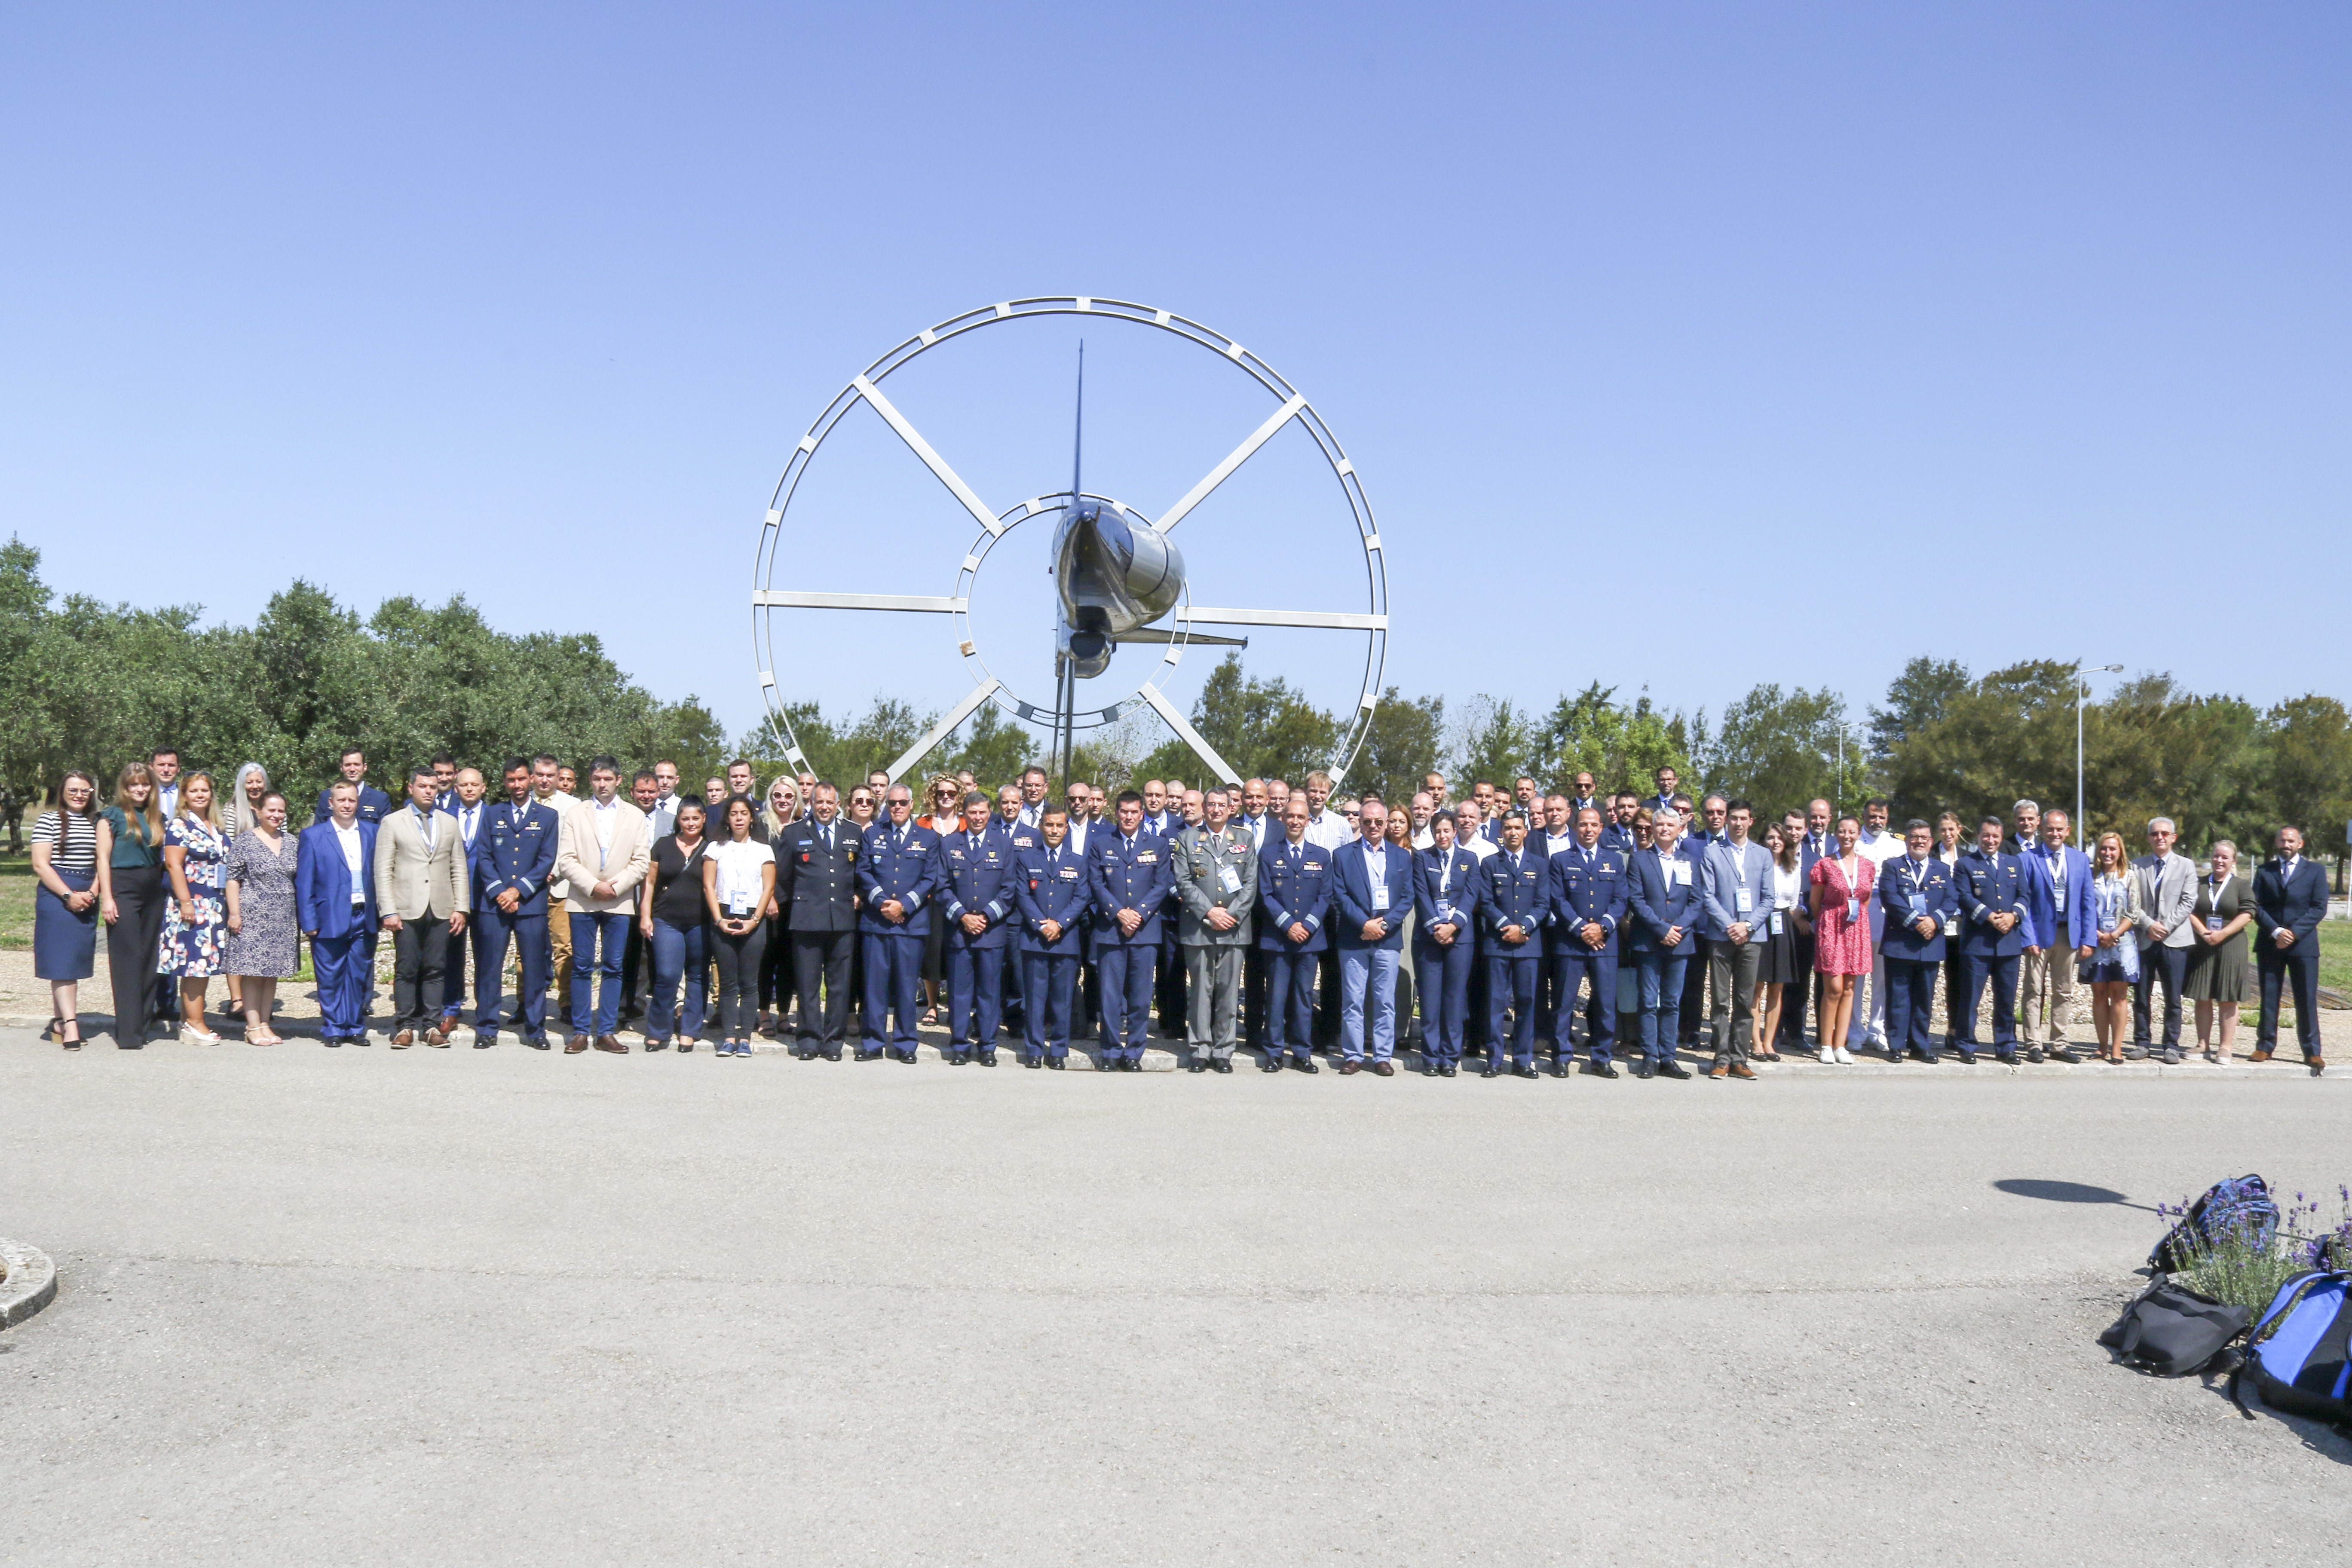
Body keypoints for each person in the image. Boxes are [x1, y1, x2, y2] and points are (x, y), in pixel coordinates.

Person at [556, 756, 651, 1054]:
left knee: (614, 967)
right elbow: (566, 859)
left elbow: (642, 862)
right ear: (590, 780)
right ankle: (581, 1031)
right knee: (582, 966)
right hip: (583, 899)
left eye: (608, 779)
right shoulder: (576, 813)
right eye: (597, 779)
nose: (602, 784)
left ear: (618, 781)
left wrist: (615, 887)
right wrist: (593, 885)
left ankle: (607, 1031)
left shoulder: (634, 816)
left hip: (619, 901)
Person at [374, 767, 469, 1048]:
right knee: (406, 969)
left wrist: (461, 907)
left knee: (436, 969)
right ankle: (404, 1026)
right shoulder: (393, 822)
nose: (429, 791)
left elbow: (458, 867)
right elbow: (383, 870)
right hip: (406, 908)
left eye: (433, 787)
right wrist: (388, 910)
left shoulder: (449, 822)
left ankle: (431, 1027)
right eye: (423, 786)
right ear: (411, 788)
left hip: (441, 907)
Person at [472, 758, 559, 1048]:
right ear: (505, 782)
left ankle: (535, 1030)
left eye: (522, 779)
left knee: (534, 970)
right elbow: (484, 856)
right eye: (511, 780)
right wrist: (501, 892)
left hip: (530, 904)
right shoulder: (491, 813)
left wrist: (517, 892)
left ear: (532, 779)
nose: (517, 785)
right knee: (489, 968)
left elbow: (546, 859)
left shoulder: (547, 816)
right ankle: (486, 1028)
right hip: (494, 905)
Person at [1087, 789, 1172, 1071]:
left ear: (1142, 814)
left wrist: (1138, 914)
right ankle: (1111, 1051)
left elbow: (1161, 884)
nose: (1129, 816)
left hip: (1145, 931)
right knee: (1110, 997)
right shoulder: (1101, 843)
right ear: (1116, 813)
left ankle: (1134, 1052)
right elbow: (1096, 884)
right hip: (1111, 930)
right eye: (1124, 811)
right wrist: (1119, 913)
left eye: (1134, 812)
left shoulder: (1158, 845)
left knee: (1141, 997)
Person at [775, 782, 860, 1060]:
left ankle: (833, 1042)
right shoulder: (794, 833)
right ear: (811, 804)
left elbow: (862, 872)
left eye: (829, 802)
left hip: (842, 920)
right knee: (808, 985)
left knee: (839, 986)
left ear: (838, 805)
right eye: (819, 802)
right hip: (807, 920)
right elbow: (783, 878)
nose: (824, 807)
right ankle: (809, 1040)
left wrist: (860, 895)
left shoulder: (853, 832)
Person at [1175, 785, 1256, 1073]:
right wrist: (1210, 912)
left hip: (1234, 929)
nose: (1217, 810)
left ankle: (1223, 1051)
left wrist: (1230, 915)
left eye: (1222, 805)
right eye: (1211, 805)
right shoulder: (1187, 839)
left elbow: (1250, 884)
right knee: (1200, 991)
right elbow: (1183, 881)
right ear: (1204, 808)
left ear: (1231, 808)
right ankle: (1200, 1050)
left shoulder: (1245, 839)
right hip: (1199, 927)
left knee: (1228, 992)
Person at [1331, 796, 1414, 1075]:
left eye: (1379, 821)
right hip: (1354, 937)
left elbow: (1408, 897)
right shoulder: (1343, 855)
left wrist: (1385, 924)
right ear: (1360, 822)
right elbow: (1340, 895)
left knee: (1385, 1001)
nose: (1374, 826)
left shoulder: (1402, 856)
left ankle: (1382, 1056)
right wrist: (1365, 924)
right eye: (1368, 821)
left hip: (1387, 939)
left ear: (1387, 823)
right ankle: (1353, 1055)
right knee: (1353, 1001)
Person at [935, 789, 1017, 1066]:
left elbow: (1009, 890)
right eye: (973, 813)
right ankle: (960, 1044)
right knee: (959, 992)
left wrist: (985, 917)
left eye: (983, 812)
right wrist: (963, 916)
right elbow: (942, 887)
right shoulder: (949, 844)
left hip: (991, 932)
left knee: (989, 992)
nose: (978, 817)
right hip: (959, 932)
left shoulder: (1003, 844)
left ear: (990, 813)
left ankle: (988, 1045)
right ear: (964, 814)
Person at [858, 784, 940, 1063]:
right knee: (875, 987)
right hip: (877, 922)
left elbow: (930, 878)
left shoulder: (928, 838)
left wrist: (903, 905)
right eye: (892, 803)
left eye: (902, 803)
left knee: (907, 988)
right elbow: (864, 872)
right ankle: (873, 1042)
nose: (897, 807)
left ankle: (905, 1044)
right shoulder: (872, 834)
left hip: (911, 925)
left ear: (911, 804)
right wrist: (884, 903)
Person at [296, 781, 382, 1046]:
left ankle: (354, 1026)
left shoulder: (372, 832)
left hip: (364, 915)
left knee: (358, 975)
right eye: (341, 800)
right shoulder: (313, 836)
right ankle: (333, 1027)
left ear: (358, 803)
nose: (347, 805)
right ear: (331, 803)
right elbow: (305, 882)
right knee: (330, 976)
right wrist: (309, 920)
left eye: (351, 800)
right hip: (329, 916)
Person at [1547, 805, 1626, 1077]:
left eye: (1594, 825)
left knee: (1605, 1003)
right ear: (1575, 828)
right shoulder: (1560, 860)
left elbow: (1621, 900)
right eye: (1583, 825)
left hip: (1605, 942)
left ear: (1601, 828)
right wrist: (1582, 928)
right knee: (1563, 1002)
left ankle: (1602, 1058)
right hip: (1571, 942)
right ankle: (1561, 1056)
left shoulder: (1614, 860)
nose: (1588, 830)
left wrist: (1602, 927)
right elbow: (1558, 899)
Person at [1626, 806, 1701, 1080]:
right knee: (1648, 1001)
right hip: (1649, 939)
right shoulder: (1639, 859)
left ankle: (1668, 1057)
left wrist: (1678, 928)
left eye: (1671, 825)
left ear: (1680, 829)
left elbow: (1697, 901)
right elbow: (1636, 900)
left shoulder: (1690, 861)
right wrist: (1661, 929)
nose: (1665, 829)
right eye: (1660, 825)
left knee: (1672, 1002)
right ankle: (1650, 1056)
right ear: (1653, 829)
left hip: (1680, 940)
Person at [1257, 795, 1330, 1072]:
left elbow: (1325, 896)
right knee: (1276, 998)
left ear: (1308, 821)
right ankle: (1274, 1052)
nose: (1295, 821)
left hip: (1309, 940)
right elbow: (1265, 894)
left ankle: (1302, 1052)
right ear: (1283, 819)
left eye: (1301, 817)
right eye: (1291, 816)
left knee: (1303, 997)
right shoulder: (1268, 854)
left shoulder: (1321, 856)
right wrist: (1288, 924)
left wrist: (1307, 926)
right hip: (1278, 938)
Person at [1699, 799, 1770, 1080]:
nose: (1738, 823)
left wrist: (1748, 926)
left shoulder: (1763, 855)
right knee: (1720, 1000)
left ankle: (1740, 1059)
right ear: (1727, 820)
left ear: (1751, 821)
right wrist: (1731, 926)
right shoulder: (1712, 852)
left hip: (1752, 936)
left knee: (1745, 1000)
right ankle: (1722, 1058)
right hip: (1721, 935)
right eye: (1734, 818)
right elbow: (1707, 895)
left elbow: (1769, 897)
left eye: (1743, 818)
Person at [2014, 808, 2092, 1063]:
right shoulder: (2027, 859)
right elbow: (2023, 901)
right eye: (2050, 829)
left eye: (2059, 829)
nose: (2054, 834)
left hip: (2069, 935)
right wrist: (2028, 938)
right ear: (2042, 830)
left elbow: (2087, 902)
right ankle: (2033, 1044)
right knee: (2033, 990)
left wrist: (2088, 939)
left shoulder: (2080, 860)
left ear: (2067, 831)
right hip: (2039, 936)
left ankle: (2059, 1044)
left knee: (2064, 991)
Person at [31, 770, 103, 1050]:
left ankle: (59, 1021)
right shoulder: (49, 820)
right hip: (57, 894)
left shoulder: (98, 821)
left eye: (85, 790)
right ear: (62, 792)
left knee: (73, 961)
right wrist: (67, 895)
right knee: (61, 961)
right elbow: (40, 864)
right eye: (73, 790)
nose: (79, 795)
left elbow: (104, 861)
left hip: (88, 893)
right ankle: (71, 1024)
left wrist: (93, 892)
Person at [221, 788, 299, 1046]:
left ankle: (265, 1023)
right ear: (259, 812)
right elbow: (233, 879)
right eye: (271, 810)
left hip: (283, 917)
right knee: (253, 972)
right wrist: (235, 914)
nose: (276, 815)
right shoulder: (245, 841)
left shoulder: (292, 842)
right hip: (252, 914)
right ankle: (252, 1026)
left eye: (281, 811)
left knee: (271, 973)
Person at [159, 771, 233, 1042]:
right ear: (184, 796)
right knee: (195, 964)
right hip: (192, 904)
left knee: (201, 964)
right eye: (194, 791)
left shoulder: (216, 826)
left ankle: (187, 1021)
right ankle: (195, 1022)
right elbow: (173, 865)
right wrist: (186, 902)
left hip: (214, 904)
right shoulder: (180, 826)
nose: (200, 795)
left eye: (205, 790)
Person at [97, 762, 167, 1047]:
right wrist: (107, 898)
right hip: (123, 887)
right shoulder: (110, 816)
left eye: (145, 784)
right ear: (124, 788)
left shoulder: (157, 817)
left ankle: (142, 1026)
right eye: (133, 785)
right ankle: (128, 1033)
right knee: (127, 959)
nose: (140, 789)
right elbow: (103, 859)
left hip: (153, 888)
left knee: (150, 959)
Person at [1475, 808, 1548, 1080]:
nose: (1513, 833)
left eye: (1518, 828)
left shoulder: (1539, 864)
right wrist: (1507, 926)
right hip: (1499, 942)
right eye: (1508, 828)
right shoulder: (1490, 864)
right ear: (1501, 833)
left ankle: (1523, 1060)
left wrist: (1524, 928)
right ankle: (1494, 1059)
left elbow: (1543, 903)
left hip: (1528, 944)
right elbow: (1486, 902)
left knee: (1527, 1002)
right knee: (1496, 1002)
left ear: (1525, 832)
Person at [1951, 815, 2029, 1065]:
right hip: (1978, 942)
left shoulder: (2014, 863)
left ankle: (2006, 1046)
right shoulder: (1965, 864)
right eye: (1986, 835)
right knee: (1970, 998)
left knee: (2006, 1000)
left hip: (2009, 942)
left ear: (2001, 837)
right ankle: (1966, 1045)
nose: (1991, 840)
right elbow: (1964, 896)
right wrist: (1989, 916)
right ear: (1978, 837)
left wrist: (2013, 915)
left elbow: (2025, 895)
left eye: (1995, 836)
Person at [1012, 805, 1087, 1068]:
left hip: (1065, 940)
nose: (1054, 830)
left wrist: (1060, 924)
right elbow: (1022, 895)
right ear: (1041, 827)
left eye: (1059, 826)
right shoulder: (1026, 859)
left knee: (1062, 1000)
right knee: (1034, 999)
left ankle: (1058, 1050)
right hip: (1035, 939)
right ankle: (1034, 1050)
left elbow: (1081, 898)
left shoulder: (1078, 861)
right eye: (1049, 825)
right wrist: (1041, 925)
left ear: (1066, 829)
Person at [1877, 820, 1957, 1063]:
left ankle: (1920, 1045)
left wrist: (1935, 921)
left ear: (1931, 842)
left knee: (1924, 997)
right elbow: (1890, 898)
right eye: (1914, 837)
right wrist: (1916, 922)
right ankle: (1896, 1045)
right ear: (1907, 840)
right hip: (1900, 941)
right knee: (1898, 997)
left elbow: (1951, 899)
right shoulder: (1892, 866)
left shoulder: (1942, 868)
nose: (1919, 841)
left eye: (1924, 837)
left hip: (1930, 942)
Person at [2251, 825, 2328, 1073]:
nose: (2287, 845)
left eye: (2291, 841)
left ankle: (2312, 1051)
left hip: (2303, 945)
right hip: (2270, 942)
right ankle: (2265, 1046)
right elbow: (2256, 905)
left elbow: (2319, 907)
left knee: (2306, 998)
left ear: (2300, 844)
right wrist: (2276, 931)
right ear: (2277, 843)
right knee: (2269, 997)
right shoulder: (2265, 871)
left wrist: (2293, 933)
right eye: (2283, 841)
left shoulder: (2316, 871)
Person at [704, 795, 776, 1057]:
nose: (738, 818)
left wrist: (755, 920)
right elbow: (709, 886)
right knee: (727, 983)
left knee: (749, 983)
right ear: (727, 818)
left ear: (751, 818)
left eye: (743, 814)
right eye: (734, 813)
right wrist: (718, 919)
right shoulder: (715, 848)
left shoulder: (763, 850)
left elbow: (768, 888)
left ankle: (745, 1038)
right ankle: (728, 1038)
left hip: (753, 917)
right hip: (723, 915)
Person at [637, 798, 710, 1052]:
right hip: (666, 920)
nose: (691, 824)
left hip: (701, 921)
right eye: (685, 819)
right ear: (678, 819)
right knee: (667, 975)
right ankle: (658, 1030)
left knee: (697, 975)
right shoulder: (663, 845)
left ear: (704, 819)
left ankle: (690, 1029)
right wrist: (645, 916)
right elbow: (649, 883)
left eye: (696, 818)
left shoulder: (712, 847)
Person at [1412, 808, 1480, 1077]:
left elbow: (1471, 895)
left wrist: (1454, 926)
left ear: (1455, 832)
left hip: (1460, 938)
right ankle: (1430, 1057)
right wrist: (1436, 927)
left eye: (1447, 831)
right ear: (1432, 833)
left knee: (1454, 999)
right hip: (1428, 938)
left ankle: (1450, 1058)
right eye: (1437, 831)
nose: (1442, 836)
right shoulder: (1422, 857)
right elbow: (1421, 893)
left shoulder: (1470, 859)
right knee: (1430, 999)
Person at [1807, 815, 1874, 1066]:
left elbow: (1865, 899)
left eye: (1852, 832)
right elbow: (1815, 902)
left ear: (1859, 835)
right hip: (1832, 928)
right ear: (1836, 833)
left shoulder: (1867, 866)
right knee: (1833, 988)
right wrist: (1827, 923)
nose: (1847, 836)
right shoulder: (1825, 864)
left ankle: (1841, 1045)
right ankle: (1826, 1044)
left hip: (1857, 929)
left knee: (1849, 989)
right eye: (1843, 831)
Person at [2130, 816, 2196, 1064]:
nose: (2160, 838)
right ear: (2148, 838)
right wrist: (2149, 924)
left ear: (2173, 838)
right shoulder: (2136, 866)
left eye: (2165, 834)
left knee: (2173, 998)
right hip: (2144, 938)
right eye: (2155, 834)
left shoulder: (2186, 866)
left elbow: (2188, 901)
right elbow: (2132, 902)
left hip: (2175, 939)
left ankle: (2171, 1045)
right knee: (2141, 996)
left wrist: (2165, 927)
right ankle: (2142, 1042)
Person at [2185, 838, 2253, 1064]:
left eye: (2225, 857)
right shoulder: (2199, 883)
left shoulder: (2241, 885)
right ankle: (2202, 1044)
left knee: (2228, 997)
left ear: (2233, 861)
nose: (2219, 860)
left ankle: (2225, 1047)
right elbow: (2188, 909)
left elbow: (2248, 913)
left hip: (2231, 944)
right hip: (2203, 943)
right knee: (2202, 995)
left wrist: (2223, 934)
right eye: (2216, 856)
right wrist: (2203, 931)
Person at [436, 766, 490, 1041]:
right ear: (456, 788)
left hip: (486, 896)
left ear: (483, 788)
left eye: (474, 785)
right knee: (452, 956)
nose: (469, 789)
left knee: (486, 957)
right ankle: (451, 1009)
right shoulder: (442, 817)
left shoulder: (495, 816)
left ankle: (485, 1010)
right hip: (452, 897)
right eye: (464, 785)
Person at [2079, 832, 2142, 1063]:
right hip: (2095, 941)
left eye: (2113, 849)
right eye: (2104, 848)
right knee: (2099, 994)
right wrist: (2096, 934)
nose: (2108, 853)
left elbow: (2134, 912)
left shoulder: (2130, 877)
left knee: (2119, 995)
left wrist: (2114, 934)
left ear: (2120, 852)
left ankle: (2117, 1048)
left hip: (2121, 943)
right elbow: (2082, 907)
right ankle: (2102, 1046)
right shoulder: (2089, 875)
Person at [1753, 823, 1808, 1063]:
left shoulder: (1792, 868)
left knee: (1777, 988)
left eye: (1779, 838)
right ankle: (1755, 1042)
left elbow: (1794, 903)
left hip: (1783, 924)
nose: (1775, 842)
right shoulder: (1756, 865)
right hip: (1760, 922)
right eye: (1770, 837)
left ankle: (1769, 1042)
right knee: (1756, 987)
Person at [755, 773, 805, 1036]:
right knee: (766, 959)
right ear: (770, 797)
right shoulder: (760, 826)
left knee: (789, 961)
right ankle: (764, 1015)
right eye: (778, 795)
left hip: (797, 904)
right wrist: (770, 896)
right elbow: (755, 864)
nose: (783, 800)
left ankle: (784, 1016)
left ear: (796, 799)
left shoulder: (804, 827)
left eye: (789, 796)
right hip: (768, 902)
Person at [533, 754, 581, 1022]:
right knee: (526, 949)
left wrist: (553, 871)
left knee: (564, 947)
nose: (545, 780)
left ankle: (567, 1003)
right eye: (540, 775)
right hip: (528, 888)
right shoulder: (523, 801)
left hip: (560, 885)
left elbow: (573, 845)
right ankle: (526, 1002)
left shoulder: (573, 806)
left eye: (550, 775)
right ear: (532, 776)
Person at [915, 773, 962, 1026]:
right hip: (930, 898)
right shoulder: (922, 824)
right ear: (933, 795)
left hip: (960, 898)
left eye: (951, 793)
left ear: (959, 796)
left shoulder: (966, 823)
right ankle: (932, 1005)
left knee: (957, 952)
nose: (946, 797)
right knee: (932, 953)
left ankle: (957, 1006)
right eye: (941, 793)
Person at [312, 747, 393, 825]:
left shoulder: (380, 799)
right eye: (348, 765)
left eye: (357, 765)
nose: (352, 769)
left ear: (365, 767)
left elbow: (384, 832)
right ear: (341, 768)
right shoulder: (326, 797)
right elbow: (318, 830)